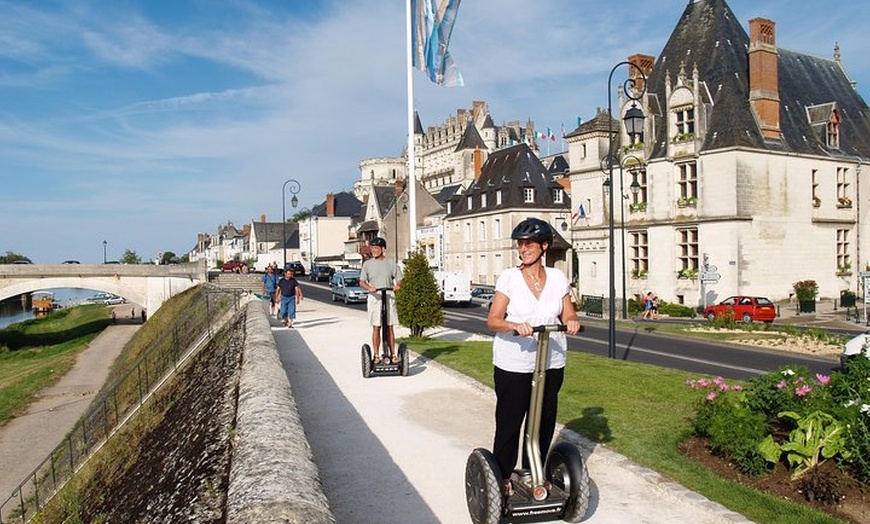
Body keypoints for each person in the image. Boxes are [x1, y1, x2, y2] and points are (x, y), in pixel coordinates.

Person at [486, 217, 581, 497]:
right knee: (510, 420)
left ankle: (532, 471)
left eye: (529, 243)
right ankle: (502, 475)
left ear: (544, 246)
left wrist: (572, 320)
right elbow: (493, 320)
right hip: (513, 361)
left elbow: (568, 312)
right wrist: (514, 325)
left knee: (544, 419)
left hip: (551, 359)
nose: (523, 248)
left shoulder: (557, 278)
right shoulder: (510, 278)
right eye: (520, 243)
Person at [359, 237, 403, 364]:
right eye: (372, 248)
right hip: (375, 297)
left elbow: (399, 279)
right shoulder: (367, 264)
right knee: (376, 327)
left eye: (376, 248)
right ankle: (377, 355)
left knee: (389, 327)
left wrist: (398, 285)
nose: (373, 250)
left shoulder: (391, 262)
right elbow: (361, 281)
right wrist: (369, 288)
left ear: (383, 249)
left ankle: (393, 354)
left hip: (388, 296)